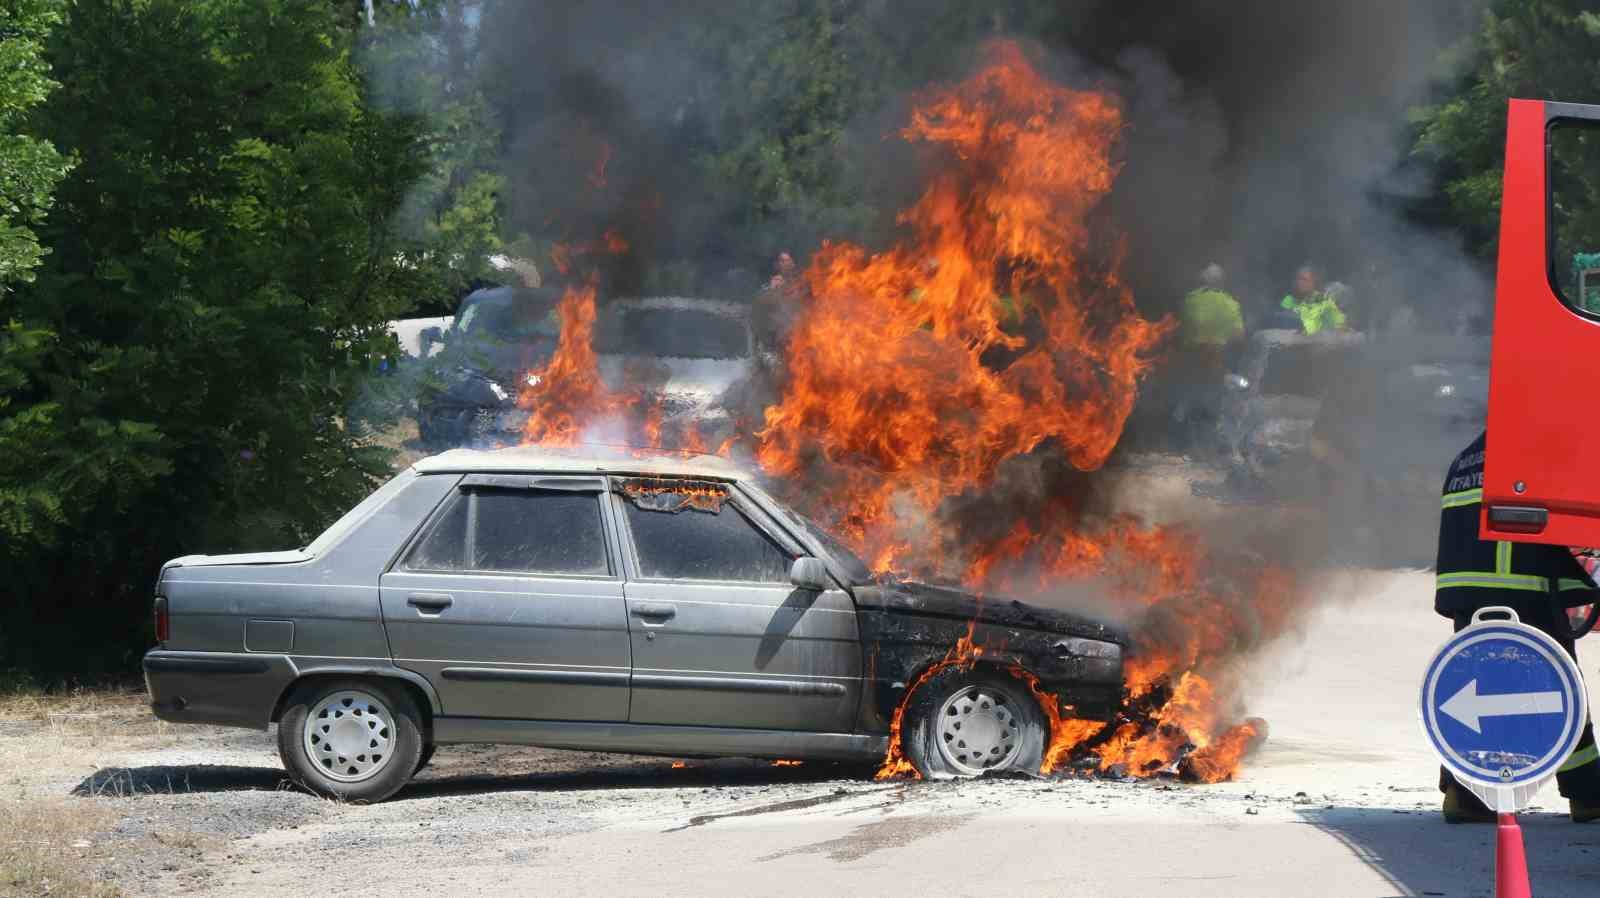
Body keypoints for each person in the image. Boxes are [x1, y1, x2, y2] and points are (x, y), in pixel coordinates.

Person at [1434, 430, 1600, 824]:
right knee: (1559, 688)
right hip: (1522, 587)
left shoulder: (1466, 458)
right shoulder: (1528, 450)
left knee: (1478, 687)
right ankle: (1588, 793)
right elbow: (1563, 521)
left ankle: (1465, 794)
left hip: (1469, 591)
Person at [1171, 264, 1245, 454]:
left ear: (1203, 279)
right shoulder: (1231, 304)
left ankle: (1181, 444)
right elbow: (1239, 336)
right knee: (1215, 401)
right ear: (1222, 282)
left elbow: (1179, 329)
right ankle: (1210, 445)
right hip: (1216, 361)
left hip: (1190, 360)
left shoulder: (1190, 300)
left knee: (1186, 400)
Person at [1278, 265, 1348, 335]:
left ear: (1313, 282)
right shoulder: (1288, 300)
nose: (1300, 283)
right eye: (1299, 279)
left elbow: (1341, 326)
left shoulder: (1324, 302)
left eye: (1305, 280)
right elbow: (1281, 321)